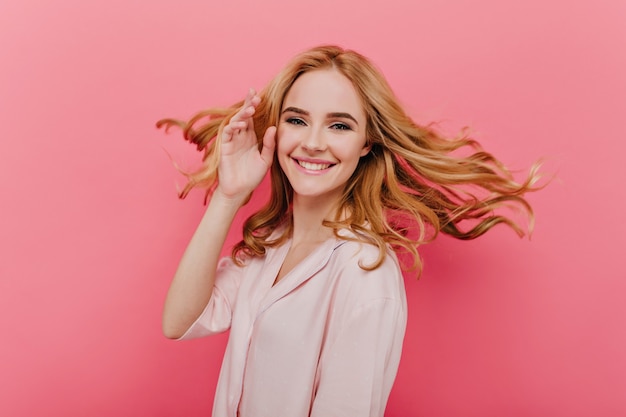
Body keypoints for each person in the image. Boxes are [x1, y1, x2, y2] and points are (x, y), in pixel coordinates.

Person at [157, 45, 540, 417]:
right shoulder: (273, 242)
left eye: (339, 125)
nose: (312, 142)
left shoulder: (365, 272)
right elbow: (179, 322)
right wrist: (228, 196)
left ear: (366, 143)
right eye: (297, 120)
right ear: (276, 129)